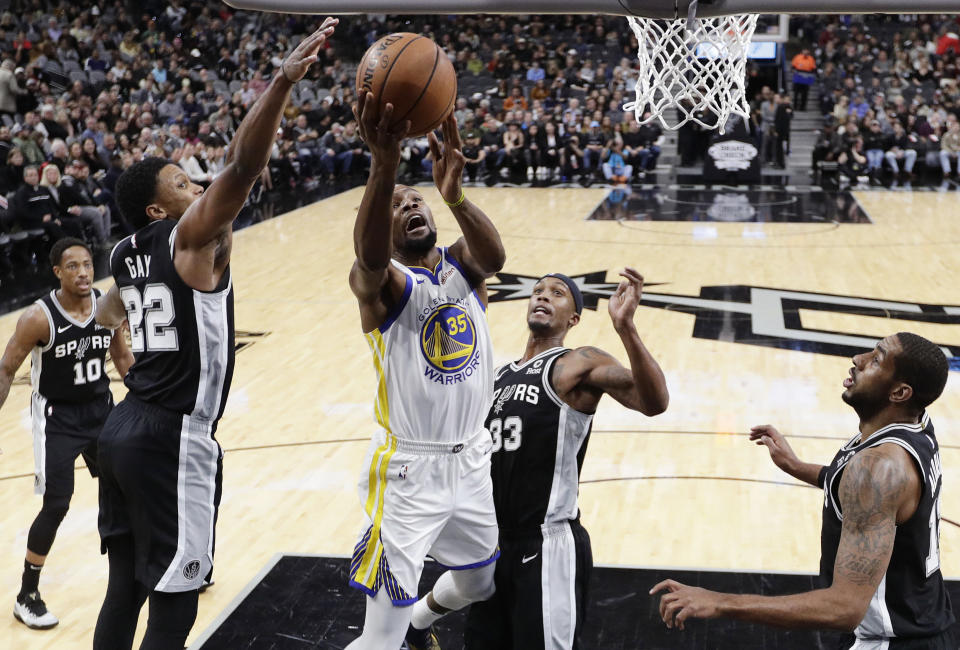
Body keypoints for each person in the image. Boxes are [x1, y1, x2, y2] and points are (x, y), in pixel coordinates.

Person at [89, 19, 339, 649]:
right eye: (182, 183)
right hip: (175, 433)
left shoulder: (122, 251)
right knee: (177, 599)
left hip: (123, 426)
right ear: (157, 210)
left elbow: (107, 317)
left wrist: (131, 364)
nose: (198, 185)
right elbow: (245, 165)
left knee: (124, 587)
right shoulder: (190, 236)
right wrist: (282, 80)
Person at [652, 332, 955, 648]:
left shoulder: (878, 467)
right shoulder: (915, 426)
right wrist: (795, 466)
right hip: (925, 622)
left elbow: (844, 608)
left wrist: (720, 601)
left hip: (892, 640)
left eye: (876, 359)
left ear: (900, 392)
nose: (858, 360)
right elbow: (865, 492)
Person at [346, 92, 506, 650]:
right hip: (410, 472)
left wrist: (455, 193)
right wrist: (384, 163)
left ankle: (423, 619)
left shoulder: (463, 267)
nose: (410, 205)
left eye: (416, 200)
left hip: (471, 457)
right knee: (379, 637)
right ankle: (399, 628)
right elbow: (366, 261)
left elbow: (495, 256)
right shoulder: (383, 285)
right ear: (383, 229)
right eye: (396, 205)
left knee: (481, 582)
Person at [464, 270, 668, 649]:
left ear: (573, 318)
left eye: (558, 294)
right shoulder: (497, 377)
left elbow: (654, 402)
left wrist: (626, 329)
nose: (543, 296)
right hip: (492, 546)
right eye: (538, 291)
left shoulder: (578, 363)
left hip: (547, 544)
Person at [0, 237, 132, 629]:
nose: (83, 273)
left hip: (100, 411)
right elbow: (7, 369)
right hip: (56, 418)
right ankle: (27, 595)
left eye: (88, 264)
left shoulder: (107, 305)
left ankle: (145, 567)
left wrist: (148, 400)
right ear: (57, 272)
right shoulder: (37, 318)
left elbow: (122, 357)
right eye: (72, 266)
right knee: (57, 503)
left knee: (128, 486)